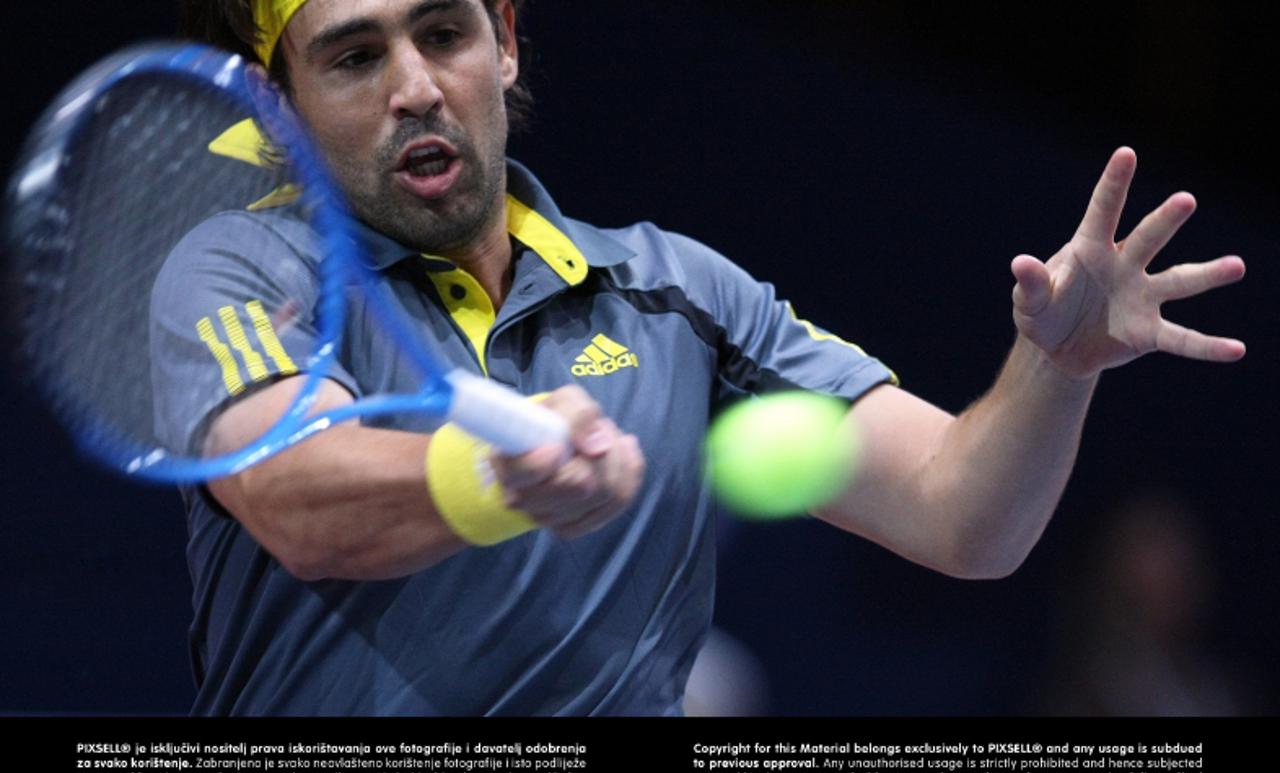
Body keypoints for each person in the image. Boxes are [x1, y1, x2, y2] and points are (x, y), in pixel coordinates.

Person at [163, 0, 1245, 714]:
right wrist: (491, 478)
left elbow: (961, 517)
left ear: (502, 40)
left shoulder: (678, 293)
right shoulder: (246, 271)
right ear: (276, 105)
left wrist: (1055, 372)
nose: (414, 86)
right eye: (354, 56)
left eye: (442, 33)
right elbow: (296, 496)